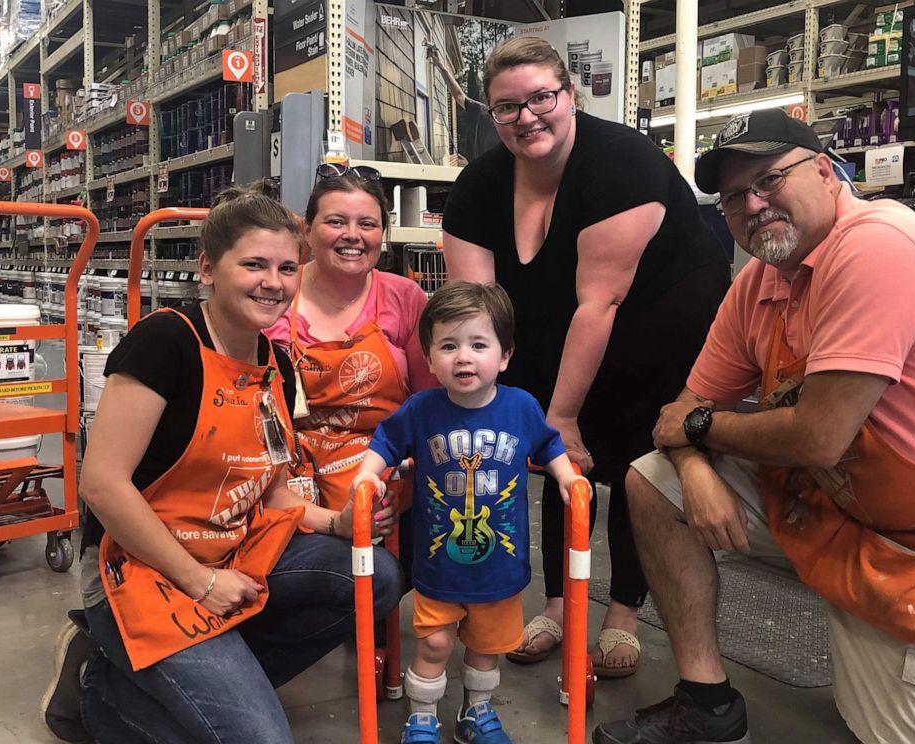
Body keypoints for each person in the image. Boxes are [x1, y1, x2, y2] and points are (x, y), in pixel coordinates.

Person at [593, 108, 915, 744]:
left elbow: (816, 436)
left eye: (770, 179)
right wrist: (694, 464)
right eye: (732, 197)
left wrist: (700, 428)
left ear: (829, 173)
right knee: (655, 480)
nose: (752, 204)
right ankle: (705, 706)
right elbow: (679, 414)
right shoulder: (760, 281)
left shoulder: (876, 246)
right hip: (829, 497)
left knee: (889, 735)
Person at [42, 182, 402, 744]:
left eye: (287, 268)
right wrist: (201, 581)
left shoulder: (276, 361)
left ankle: (199, 678)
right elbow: (103, 485)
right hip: (141, 568)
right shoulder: (166, 342)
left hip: (232, 548)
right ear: (209, 269)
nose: (274, 282)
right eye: (254, 264)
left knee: (373, 577)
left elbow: (275, 488)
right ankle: (97, 690)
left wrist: (337, 524)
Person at [442, 36, 730, 677]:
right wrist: (503, 409)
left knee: (629, 454)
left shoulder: (622, 161)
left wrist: (565, 417)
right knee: (545, 436)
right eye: (508, 106)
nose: (527, 116)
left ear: (570, 95)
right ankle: (557, 602)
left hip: (661, 314)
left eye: (542, 97)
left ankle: (623, 612)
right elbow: (474, 310)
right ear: (493, 115)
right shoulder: (480, 185)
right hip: (556, 315)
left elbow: (600, 303)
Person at [351, 281, 581, 744]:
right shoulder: (421, 410)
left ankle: (476, 713)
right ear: (430, 357)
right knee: (435, 643)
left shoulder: (520, 407)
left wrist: (565, 476)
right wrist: (368, 475)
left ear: (504, 355)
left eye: (479, 345)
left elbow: (549, 442)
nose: (463, 357)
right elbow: (387, 441)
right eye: (449, 346)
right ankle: (421, 717)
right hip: (440, 565)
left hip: (500, 567)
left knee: (486, 648)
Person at [264, 163, 437, 522]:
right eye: (336, 222)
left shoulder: (406, 298)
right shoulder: (275, 293)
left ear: (382, 234)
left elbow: (429, 406)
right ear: (307, 232)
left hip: (389, 488)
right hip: (289, 489)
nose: (352, 235)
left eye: (367, 224)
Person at [425, 42, 501, 164]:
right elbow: (459, 95)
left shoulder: (512, 127)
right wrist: (441, 66)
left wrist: (470, 165)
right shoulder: (482, 112)